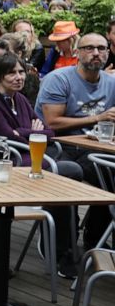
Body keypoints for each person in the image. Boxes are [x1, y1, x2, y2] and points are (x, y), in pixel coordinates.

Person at [36, 32, 115, 274]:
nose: (96, 53)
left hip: (96, 145)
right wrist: (98, 117)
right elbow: (52, 122)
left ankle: (96, 240)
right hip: (59, 144)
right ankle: (62, 250)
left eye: (101, 49)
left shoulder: (111, 82)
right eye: (89, 48)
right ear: (78, 52)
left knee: (110, 175)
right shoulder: (59, 79)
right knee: (68, 174)